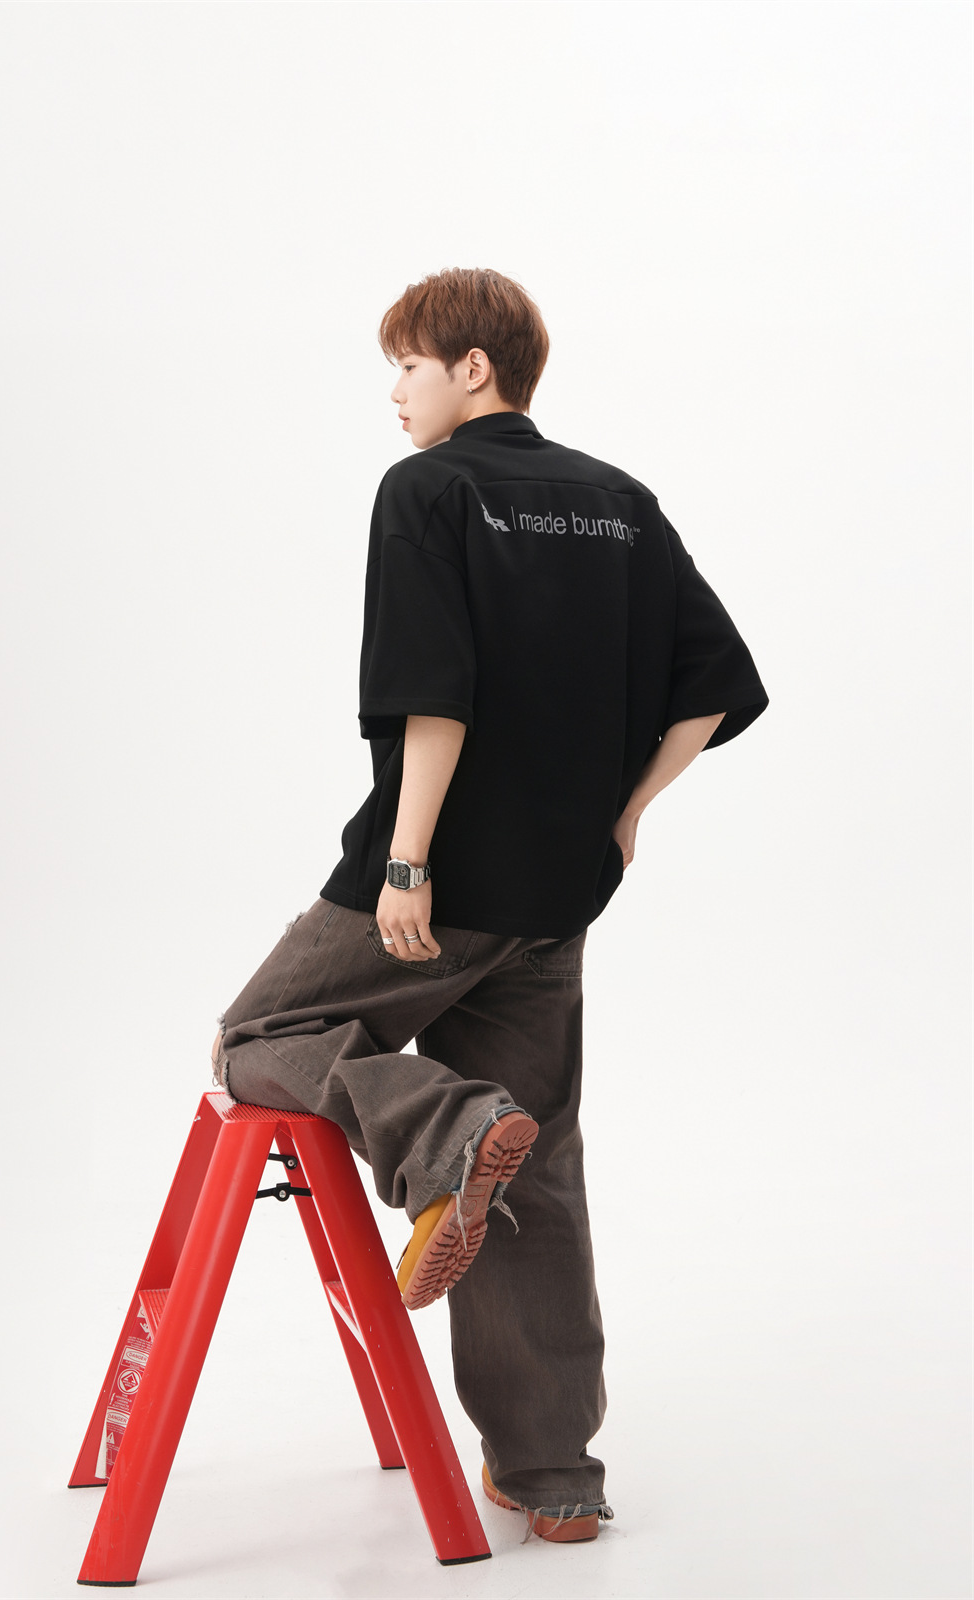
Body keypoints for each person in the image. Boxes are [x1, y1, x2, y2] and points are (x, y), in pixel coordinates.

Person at [208, 267, 769, 1543]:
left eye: (407, 366)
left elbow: (433, 691)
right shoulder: (619, 502)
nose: (395, 395)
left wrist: (407, 862)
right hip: (558, 891)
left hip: (445, 878)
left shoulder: (429, 489)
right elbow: (717, 681)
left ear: (473, 367)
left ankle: (449, 1129)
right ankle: (555, 1471)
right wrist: (629, 811)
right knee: (544, 1157)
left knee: (252, 1040)